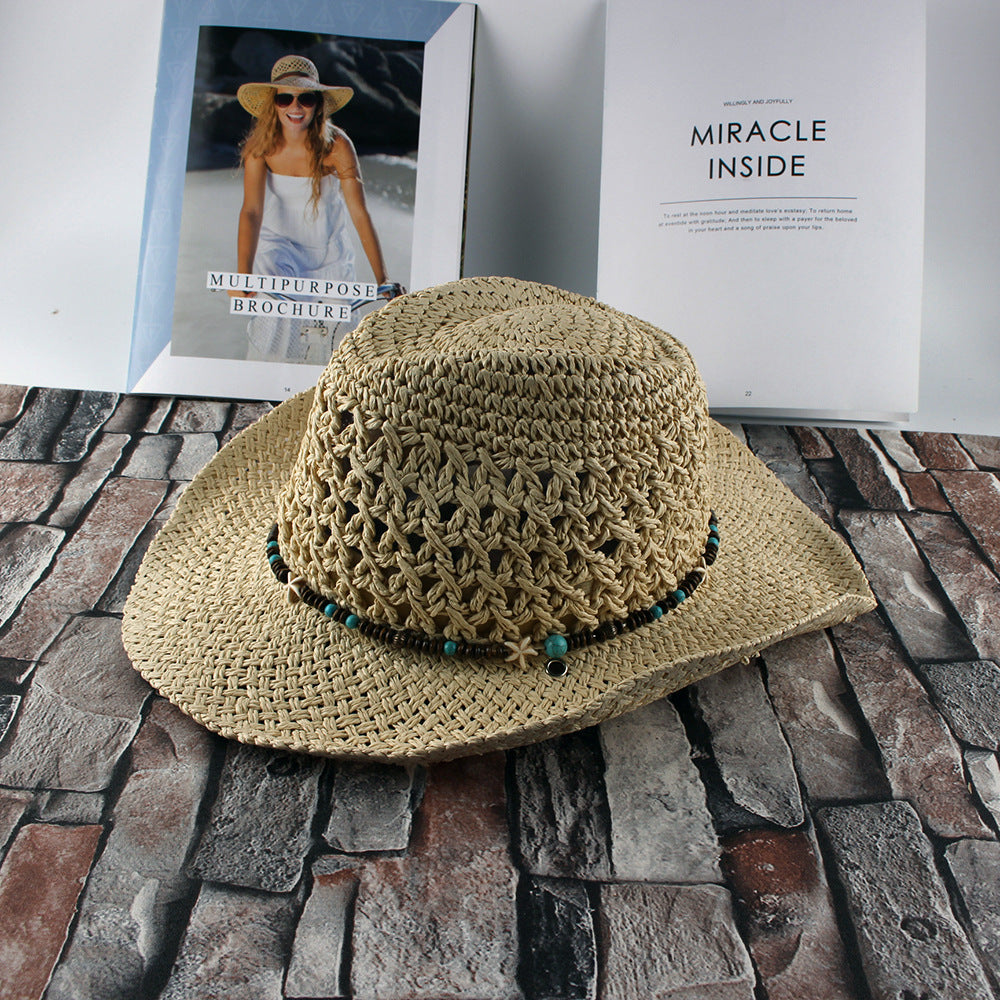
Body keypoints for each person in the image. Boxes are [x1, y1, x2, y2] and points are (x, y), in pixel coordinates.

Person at [232, 55, 404, 363]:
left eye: (306, 98)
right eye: (285, 98)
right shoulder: (261, 147)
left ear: (318, 104)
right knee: (275, 334)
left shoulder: (337, 145)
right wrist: (243, 274)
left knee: (338, 345)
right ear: (274, 104)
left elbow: (359, 212)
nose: (295, 107)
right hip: (279, 249)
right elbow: (252, 212)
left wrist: (383, 279)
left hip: (330, 252)